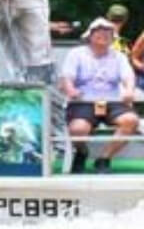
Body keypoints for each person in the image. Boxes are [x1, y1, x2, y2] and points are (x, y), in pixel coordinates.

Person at [58, 17, 138, 173]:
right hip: (84, 100)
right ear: (90, 36)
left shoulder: (119, 56)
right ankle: (81, 151)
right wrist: (71, 90)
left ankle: (104, 158)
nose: (104, 35)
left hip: (111, 99)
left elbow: (128, 76)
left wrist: (129, 90)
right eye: (99, 32)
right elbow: (66, 78)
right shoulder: (76, 54)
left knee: (130, 120)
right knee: (78, 129)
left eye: (108, 33)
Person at [0, 0, 72, 84]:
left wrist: (55, 26)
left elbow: (38, 23)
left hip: (48, 58)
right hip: (31, 60)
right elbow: (5, 21)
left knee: (50, 93)